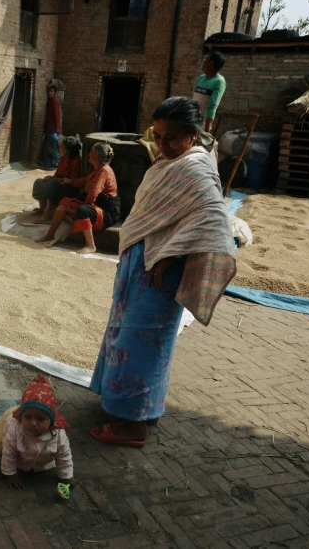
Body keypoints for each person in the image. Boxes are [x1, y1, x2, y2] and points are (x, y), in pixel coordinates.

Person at [89, 97, 236, 447]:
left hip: (160, 271)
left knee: (140, 344)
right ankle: (142, 409)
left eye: (171, 137)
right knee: (130, 336)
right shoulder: (171, 162)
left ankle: (131, 427)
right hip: (140, 264)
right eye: (158, 135)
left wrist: (172, 253)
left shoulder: (196, 168)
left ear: (192, 135)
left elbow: (213, 223)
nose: (162, 144)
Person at [0, 373, 76, 491]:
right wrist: (10, 475)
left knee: (32, 412)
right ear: (22, 416)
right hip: (10, 417)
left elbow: (64, 456)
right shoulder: (15, 428)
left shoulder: (58, 434)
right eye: (28, 418)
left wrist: (67, 476)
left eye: (40, 419)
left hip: (26, 409)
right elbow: (8, 453)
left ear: (51, 421)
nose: (33, 423)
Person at [36, 142, 120, 254]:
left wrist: (82, 206)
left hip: (106, 211)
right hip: (94, 205)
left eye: (91, 152)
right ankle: (50, 235)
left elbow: (94, 193)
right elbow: (84, 180)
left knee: (83, 210)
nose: (88, 154)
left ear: (95, 153)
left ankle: (90, 245)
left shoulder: (104, 171)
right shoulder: (97, 170)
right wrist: (69, 181)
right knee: (64, 203)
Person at [31, 136, 82, 216]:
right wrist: (51, 178)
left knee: (53, 184)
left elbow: (73, 181)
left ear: (67, 150)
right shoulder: (63, 158)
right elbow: (57, 173)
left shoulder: (76, 161)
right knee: (39, 182)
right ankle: (42, 208)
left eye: (62, 146)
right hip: (57, 183)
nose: (60, 148)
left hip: (68, 188)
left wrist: (56, 180)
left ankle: (48, 212)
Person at [193, 51, 227, 134]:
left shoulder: (219, 81)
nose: (203, 61)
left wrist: (207, 128)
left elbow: (212, 105)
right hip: (193, 119)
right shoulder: (201, 78)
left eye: (206, 59)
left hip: (202, 123)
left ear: (211, 64)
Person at [43, 85, 62, 170]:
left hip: (52, 129)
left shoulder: (54, 102)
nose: (49, 93)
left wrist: (57, 128)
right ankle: (47, 166)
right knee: (47, 149)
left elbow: (57, 115)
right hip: (48, 129)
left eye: (51, 91)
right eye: (49, 91)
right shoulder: (50, 102)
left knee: (52, 149)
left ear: (55, 93)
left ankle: (61, 166)